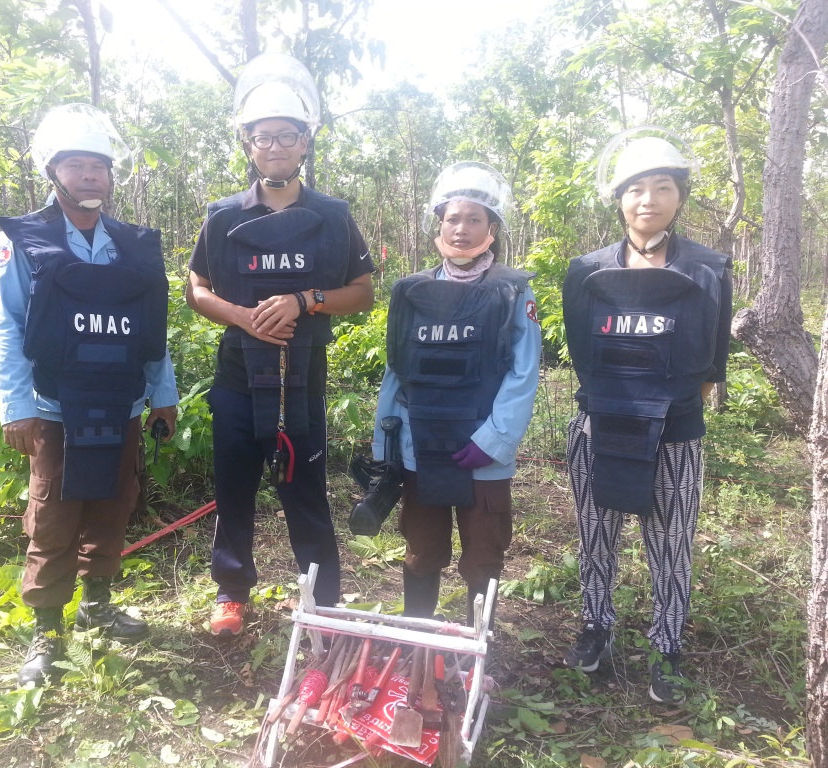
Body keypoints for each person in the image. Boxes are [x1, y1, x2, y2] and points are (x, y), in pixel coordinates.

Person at [186, 53, 375, 637]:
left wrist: (306, 301)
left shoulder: (333, 215)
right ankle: (231, 592)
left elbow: (363, 292)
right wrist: (243, 316)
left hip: (302, 375)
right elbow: (196, 288)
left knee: (304, 486)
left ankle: (324, 600)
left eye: (286, 135)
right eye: (263, 136)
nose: (274, 146)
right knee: (234, 485)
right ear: (247, 143)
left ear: (304, 142)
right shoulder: (222, 217)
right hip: (239, 375)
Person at [0, 103, 179, 685]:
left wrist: (162, 394)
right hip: (53, 406)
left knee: (113, 502)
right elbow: (9, 323)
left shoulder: (134, 245)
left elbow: (153, 326)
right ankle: (47, 631)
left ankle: (98, 602)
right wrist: (16, 407)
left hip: (121, 400)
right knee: (53, 512)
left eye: (98, 165)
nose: (89, 175)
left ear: (111, 174)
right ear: (54, 172)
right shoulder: (24, 240)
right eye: (76, 164)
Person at [561, 128, 732, 703]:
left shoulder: (707, 268)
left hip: (676, 431)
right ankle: (596, 627)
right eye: (636, 188)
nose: (648, 200)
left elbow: (711, 362)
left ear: (679, 197)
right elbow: (583, 352)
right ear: (619, 199)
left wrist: (669, 411)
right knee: (596, 533)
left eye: (662, 187)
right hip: (598, 425)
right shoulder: (586, 271)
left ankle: (667, 647)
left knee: (672, 540)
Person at [371, 162, 541, 626]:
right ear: (439, 223)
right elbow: (397, 372)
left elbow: (524, 374)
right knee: (422, 549)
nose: (461, 229)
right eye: (452, 218)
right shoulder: (411, 292)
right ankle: (418, 642)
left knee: (483, 556)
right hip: (419, 446)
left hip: (483, 452)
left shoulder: (513, 291)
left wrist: (494, 440)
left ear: (491, 227)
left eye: (474, 219)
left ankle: (474, 651)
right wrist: (383, 447)